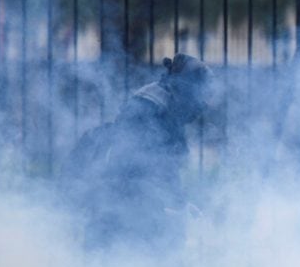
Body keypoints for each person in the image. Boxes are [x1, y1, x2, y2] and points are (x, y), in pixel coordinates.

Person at [61, 53, 213, 253]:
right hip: (122, 219)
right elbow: (138, 171)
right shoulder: (151, 114)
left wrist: (180, 203)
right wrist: (170, 208)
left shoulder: (161, 104)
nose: (202, 105)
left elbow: (162, 170)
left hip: (125, 214)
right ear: (186, 90)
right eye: (200, 96)